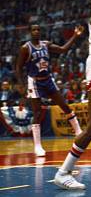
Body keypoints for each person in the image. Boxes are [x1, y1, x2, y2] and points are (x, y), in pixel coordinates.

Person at [15, 23, 84, 157]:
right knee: (38, 112)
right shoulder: (25, 48)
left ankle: (79, 132)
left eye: (38, 29)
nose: (36, 31)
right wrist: (21, 84)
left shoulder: (46, 44)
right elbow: (18, 68)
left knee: (64, 105)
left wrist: (75, 35)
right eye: (33, 29)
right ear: (29, 32)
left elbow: (63, 49)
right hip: (34, 82)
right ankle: (37, 146)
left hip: (48, 79)